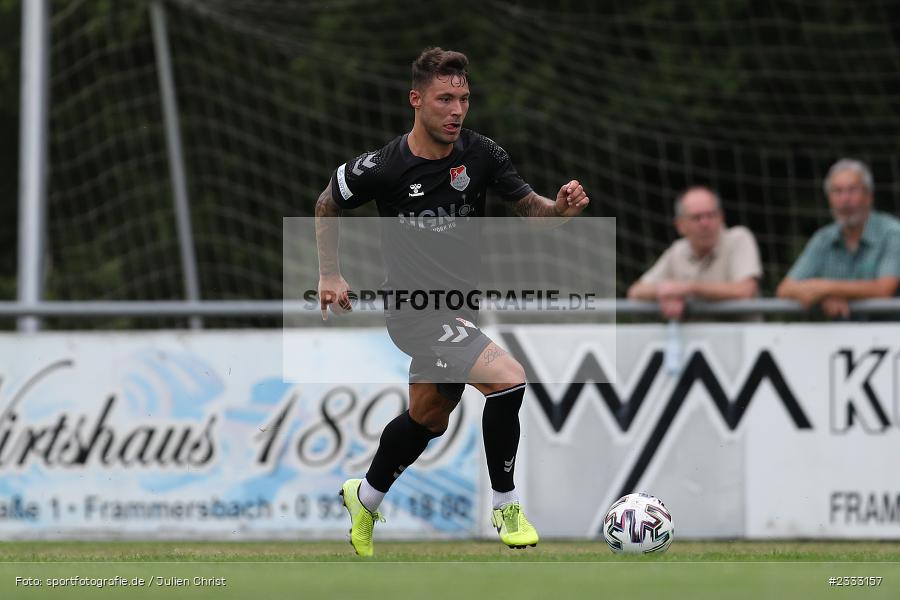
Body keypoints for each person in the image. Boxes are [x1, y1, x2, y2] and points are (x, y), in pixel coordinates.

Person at [314, 47, 589, 556]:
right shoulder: (384, 166)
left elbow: (533, 210)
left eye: (463, 98)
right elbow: (327, 201)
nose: (456, 109)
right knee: (508, 379)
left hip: (461, 310)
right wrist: (330, 273)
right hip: (415, 312)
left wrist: (562, 209)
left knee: (429, 416)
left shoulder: (482, 153)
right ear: (416, 100)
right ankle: (506, 505)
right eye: (444, 99)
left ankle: (365, 498)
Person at [777, 159, 900, 318]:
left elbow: (884, 289)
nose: (845, 199)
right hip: (843, 338)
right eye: (837, 191)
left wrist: (826, 288)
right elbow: (785, 289)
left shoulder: (892, 233)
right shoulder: (823, 238)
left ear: (869, 196)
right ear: (829, 198)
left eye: (852, 190)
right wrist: (823, 297)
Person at [626, 186, 762, 319]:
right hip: (694, 341)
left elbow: (745, 291)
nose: (705, 223)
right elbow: (636, 291)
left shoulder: (739, 238)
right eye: (696, 217)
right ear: (680, 225)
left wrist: (688, 289)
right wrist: (667, 292)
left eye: (711, 215)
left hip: (742, 340)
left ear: (721, 217)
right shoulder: (677, 251)